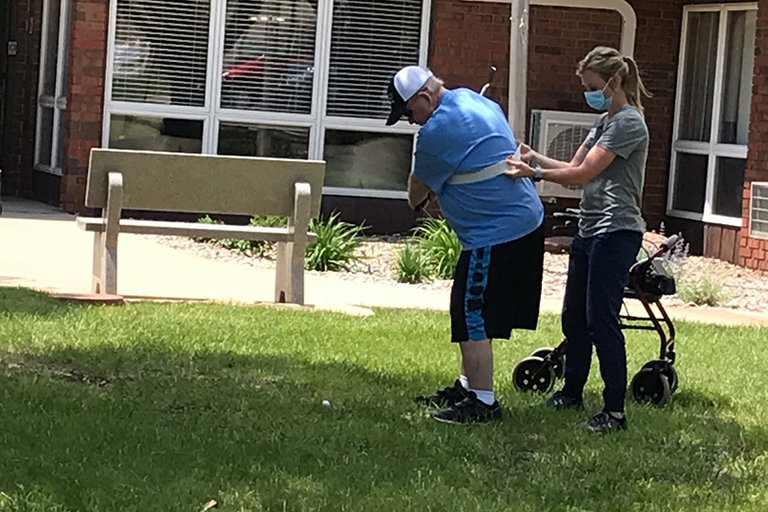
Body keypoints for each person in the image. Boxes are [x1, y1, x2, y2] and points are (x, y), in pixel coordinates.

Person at [386, 65, 545, 424]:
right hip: (521, 220)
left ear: (424, 98)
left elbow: (416, 191)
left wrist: (421, 200)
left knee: (470, 312)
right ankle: (466, 385)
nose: (411, 122)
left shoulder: (437, 129)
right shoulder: (474, 100)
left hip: (496, 231)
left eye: (409, 113)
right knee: (473, 310)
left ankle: (483, 402)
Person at [505, 46, 651, 433]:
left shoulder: (629, 123)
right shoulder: (604, 122)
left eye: (593, 85)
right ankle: (572, 392)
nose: (589, 93)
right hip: (589, 230)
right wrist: (534, 158)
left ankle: (614, 412)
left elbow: (583, 175)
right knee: (574, 318)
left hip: (616, 232)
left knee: (601, 320)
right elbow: (571, 168)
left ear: (614, 81)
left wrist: (532, 175)